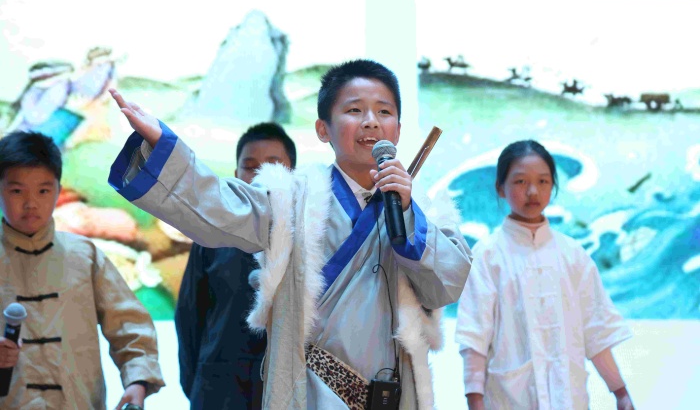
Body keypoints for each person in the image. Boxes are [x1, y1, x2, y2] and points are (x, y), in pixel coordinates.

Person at [107, 59, 472, 409]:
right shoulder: (291, 198)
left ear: (398, 130)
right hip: (310, 394)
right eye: (354, 110)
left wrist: (406, 212)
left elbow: (446, 286)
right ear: (323, 129)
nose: (371, 122)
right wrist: (163, 149)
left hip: (390, 396)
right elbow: (221, 205)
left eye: (384, 111)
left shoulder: (424, 211)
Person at [454, 140, 634, 410]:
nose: (532, 191)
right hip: (508, 400)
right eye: (520, 181)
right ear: (500, 188)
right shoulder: (487, 256)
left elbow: (596, 331)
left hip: (569, 400)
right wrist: (474, 400)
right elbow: (474, 336)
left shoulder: (573, 255)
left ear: (553, 186)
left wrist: (620, 392)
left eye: (543, 181)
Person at [0, 131, 164, 410]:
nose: (31, 203)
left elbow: (129, 325)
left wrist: (137, 381)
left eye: (43, 190)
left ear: (58, 190)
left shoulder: (84, 255)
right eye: (17, 191)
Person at [175, 122, 296, 409]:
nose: (260, 175)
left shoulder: (309, 235)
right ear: (236, 173)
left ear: (293, 173)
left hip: (287, 390)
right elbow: (189, 315)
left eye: (273, 165)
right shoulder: (212, 234)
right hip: (218, 389)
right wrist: (197, 384)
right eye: (250, 167)